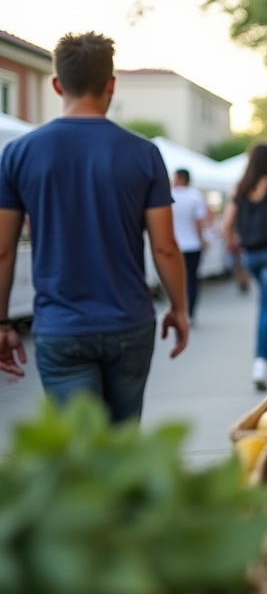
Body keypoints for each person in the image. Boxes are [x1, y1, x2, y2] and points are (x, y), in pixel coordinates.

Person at [0, 32, 188, 422]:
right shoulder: (145, 154)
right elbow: (165, 246)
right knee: (123, 440)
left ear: (57, 85)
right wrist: (178, 307)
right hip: (129, 322)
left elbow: (3, 250)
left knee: (81, 447)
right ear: (110, 84)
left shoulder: (18, 154)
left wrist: (2, 323)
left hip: (60, 326)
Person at [222, 143, 267, 389]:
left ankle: (261, 362)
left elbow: (226, 224)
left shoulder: (241, 187)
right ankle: (261, 363)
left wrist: (234, 247)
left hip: (249, 256)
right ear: (266, 160)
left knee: (265, 304)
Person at [171, 168, 210, 320]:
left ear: (180, 178)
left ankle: (177, 310)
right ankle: (190, 312)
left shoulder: (169, 195)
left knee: (176, 279)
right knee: (192, 279)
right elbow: (199, 222)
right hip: (192, 245)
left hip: (175, 245)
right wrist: (202, 240)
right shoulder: (195, 196)